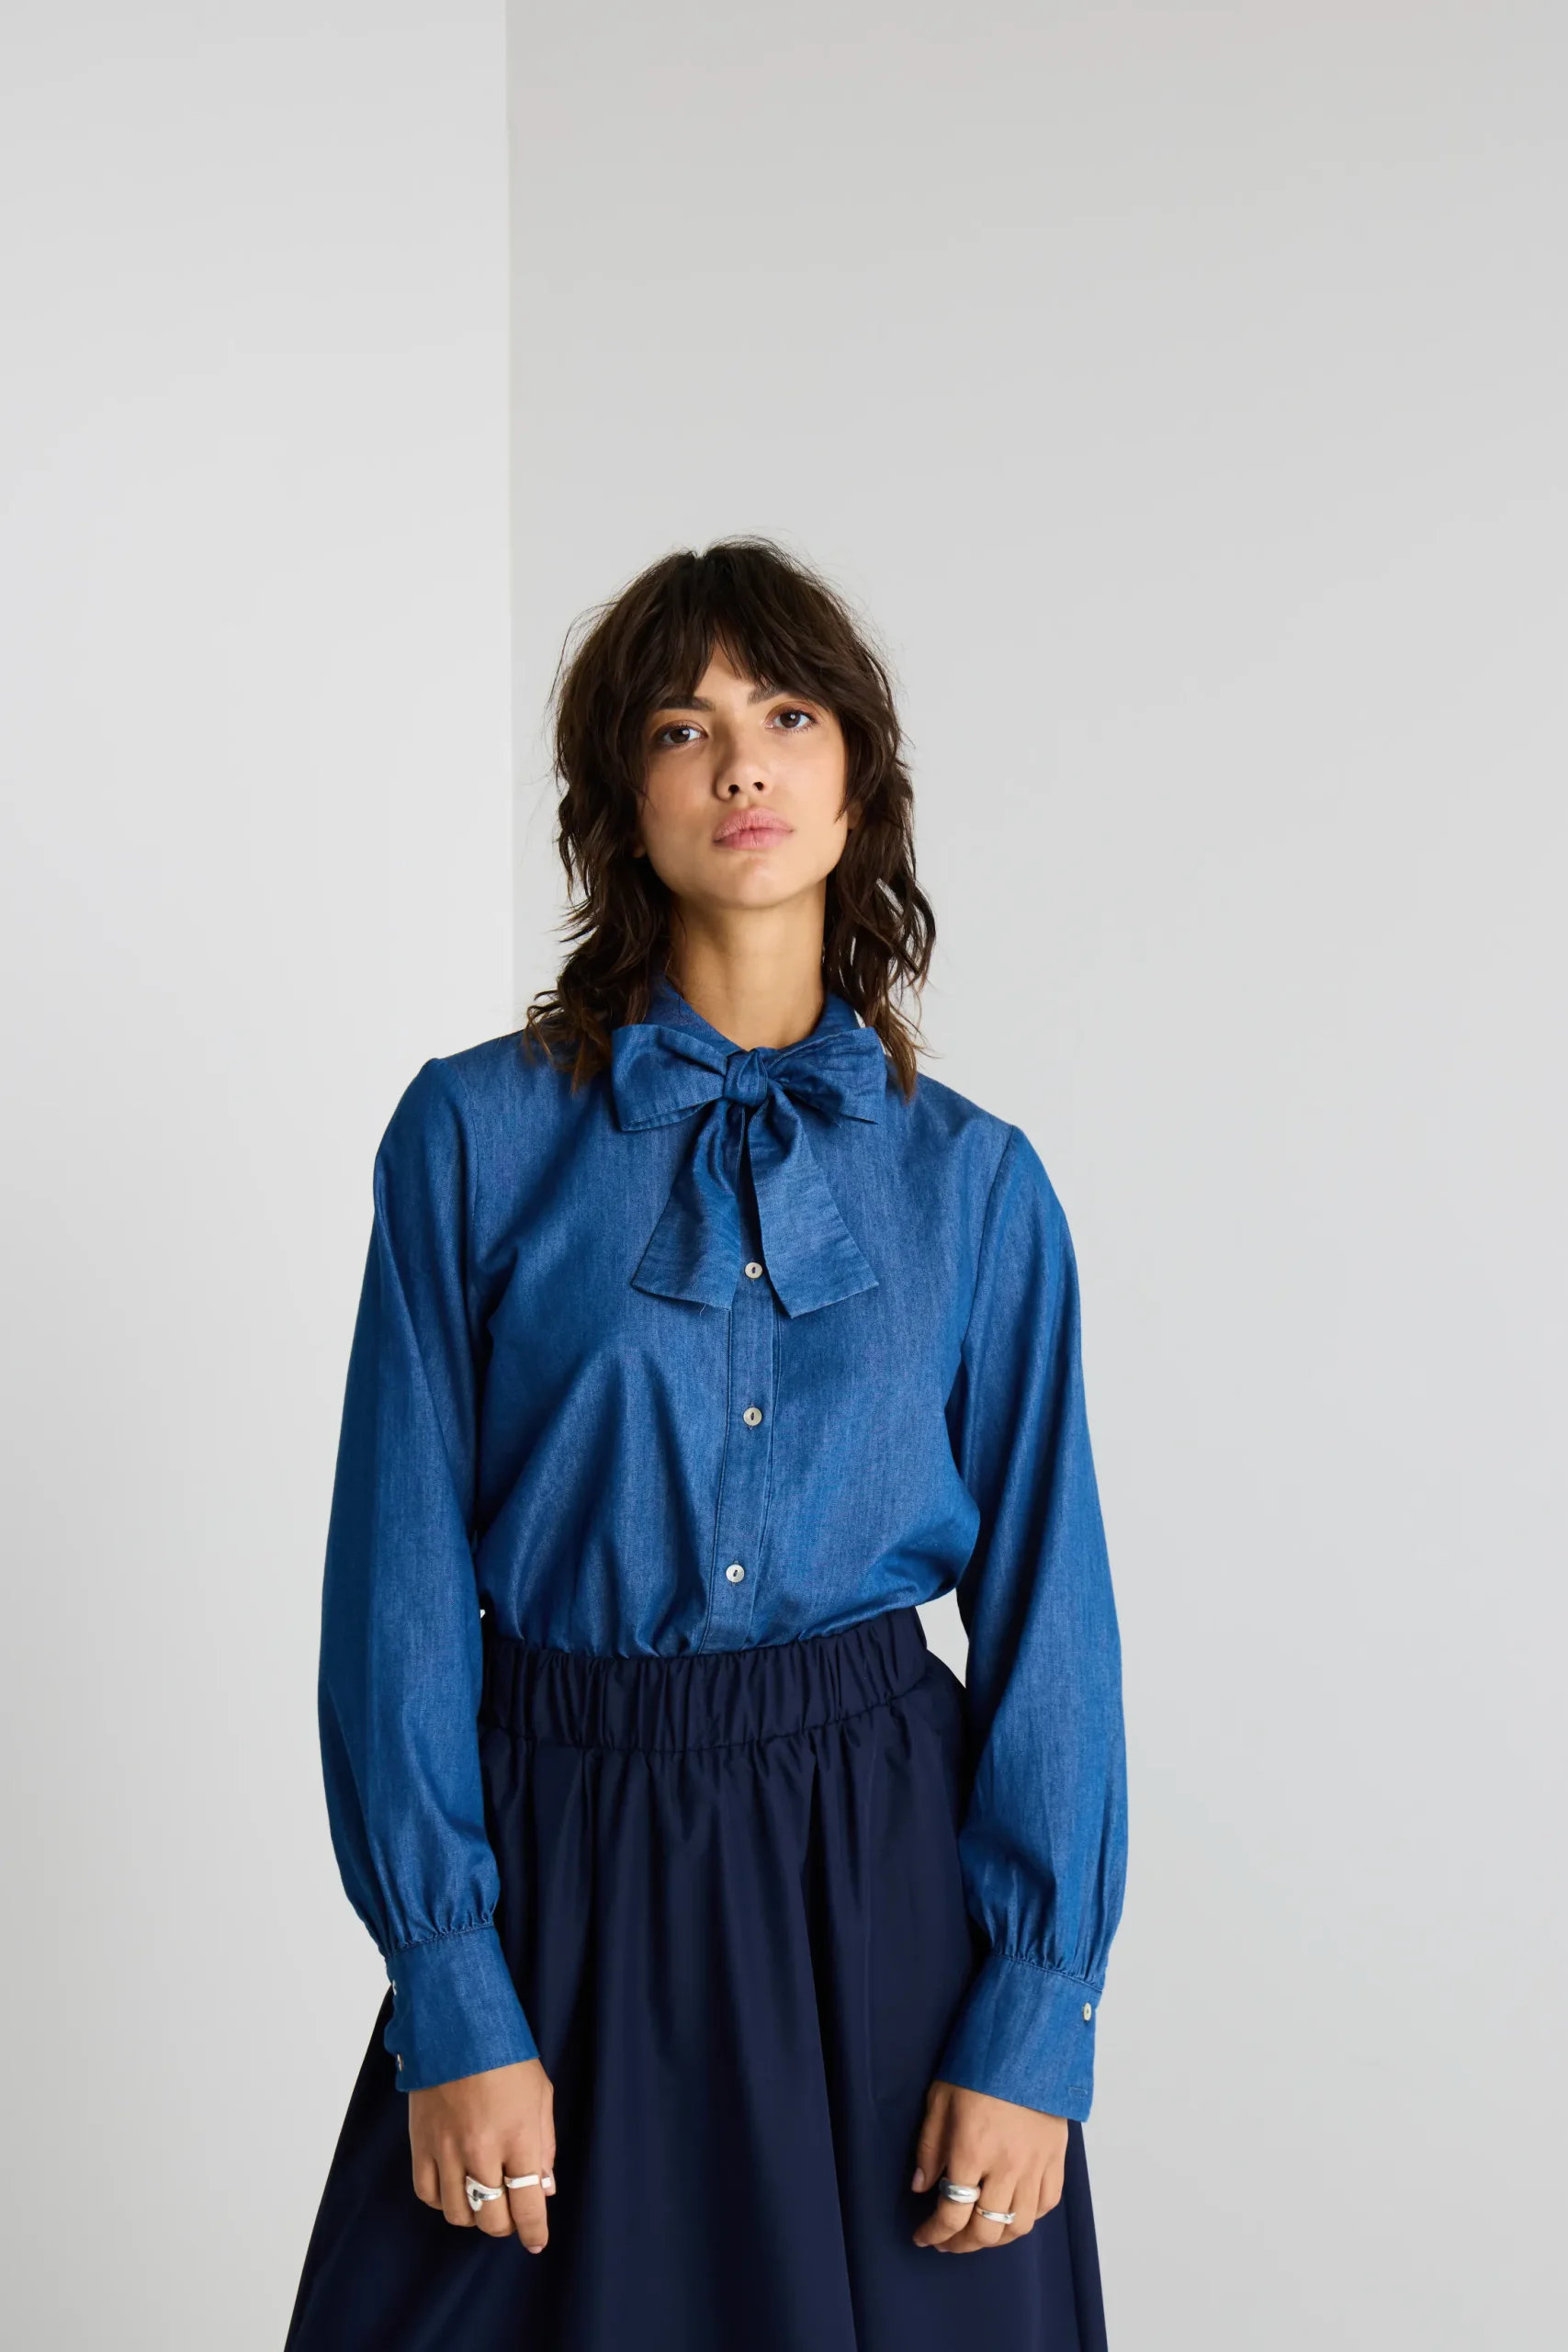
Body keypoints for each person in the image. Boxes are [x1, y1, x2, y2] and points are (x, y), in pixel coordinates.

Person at [285, 538, 1128, 2352]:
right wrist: (449, 1986)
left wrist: (1035, 2012)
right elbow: (397, 1583)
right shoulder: (470, 1139)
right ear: (619, 803)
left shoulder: (977, 1185)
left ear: (858, 779)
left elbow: (1053, 1614)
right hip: (559, 1867)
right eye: (681, 727)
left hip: (879, 1885)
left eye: (787, 714)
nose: (741, 762)